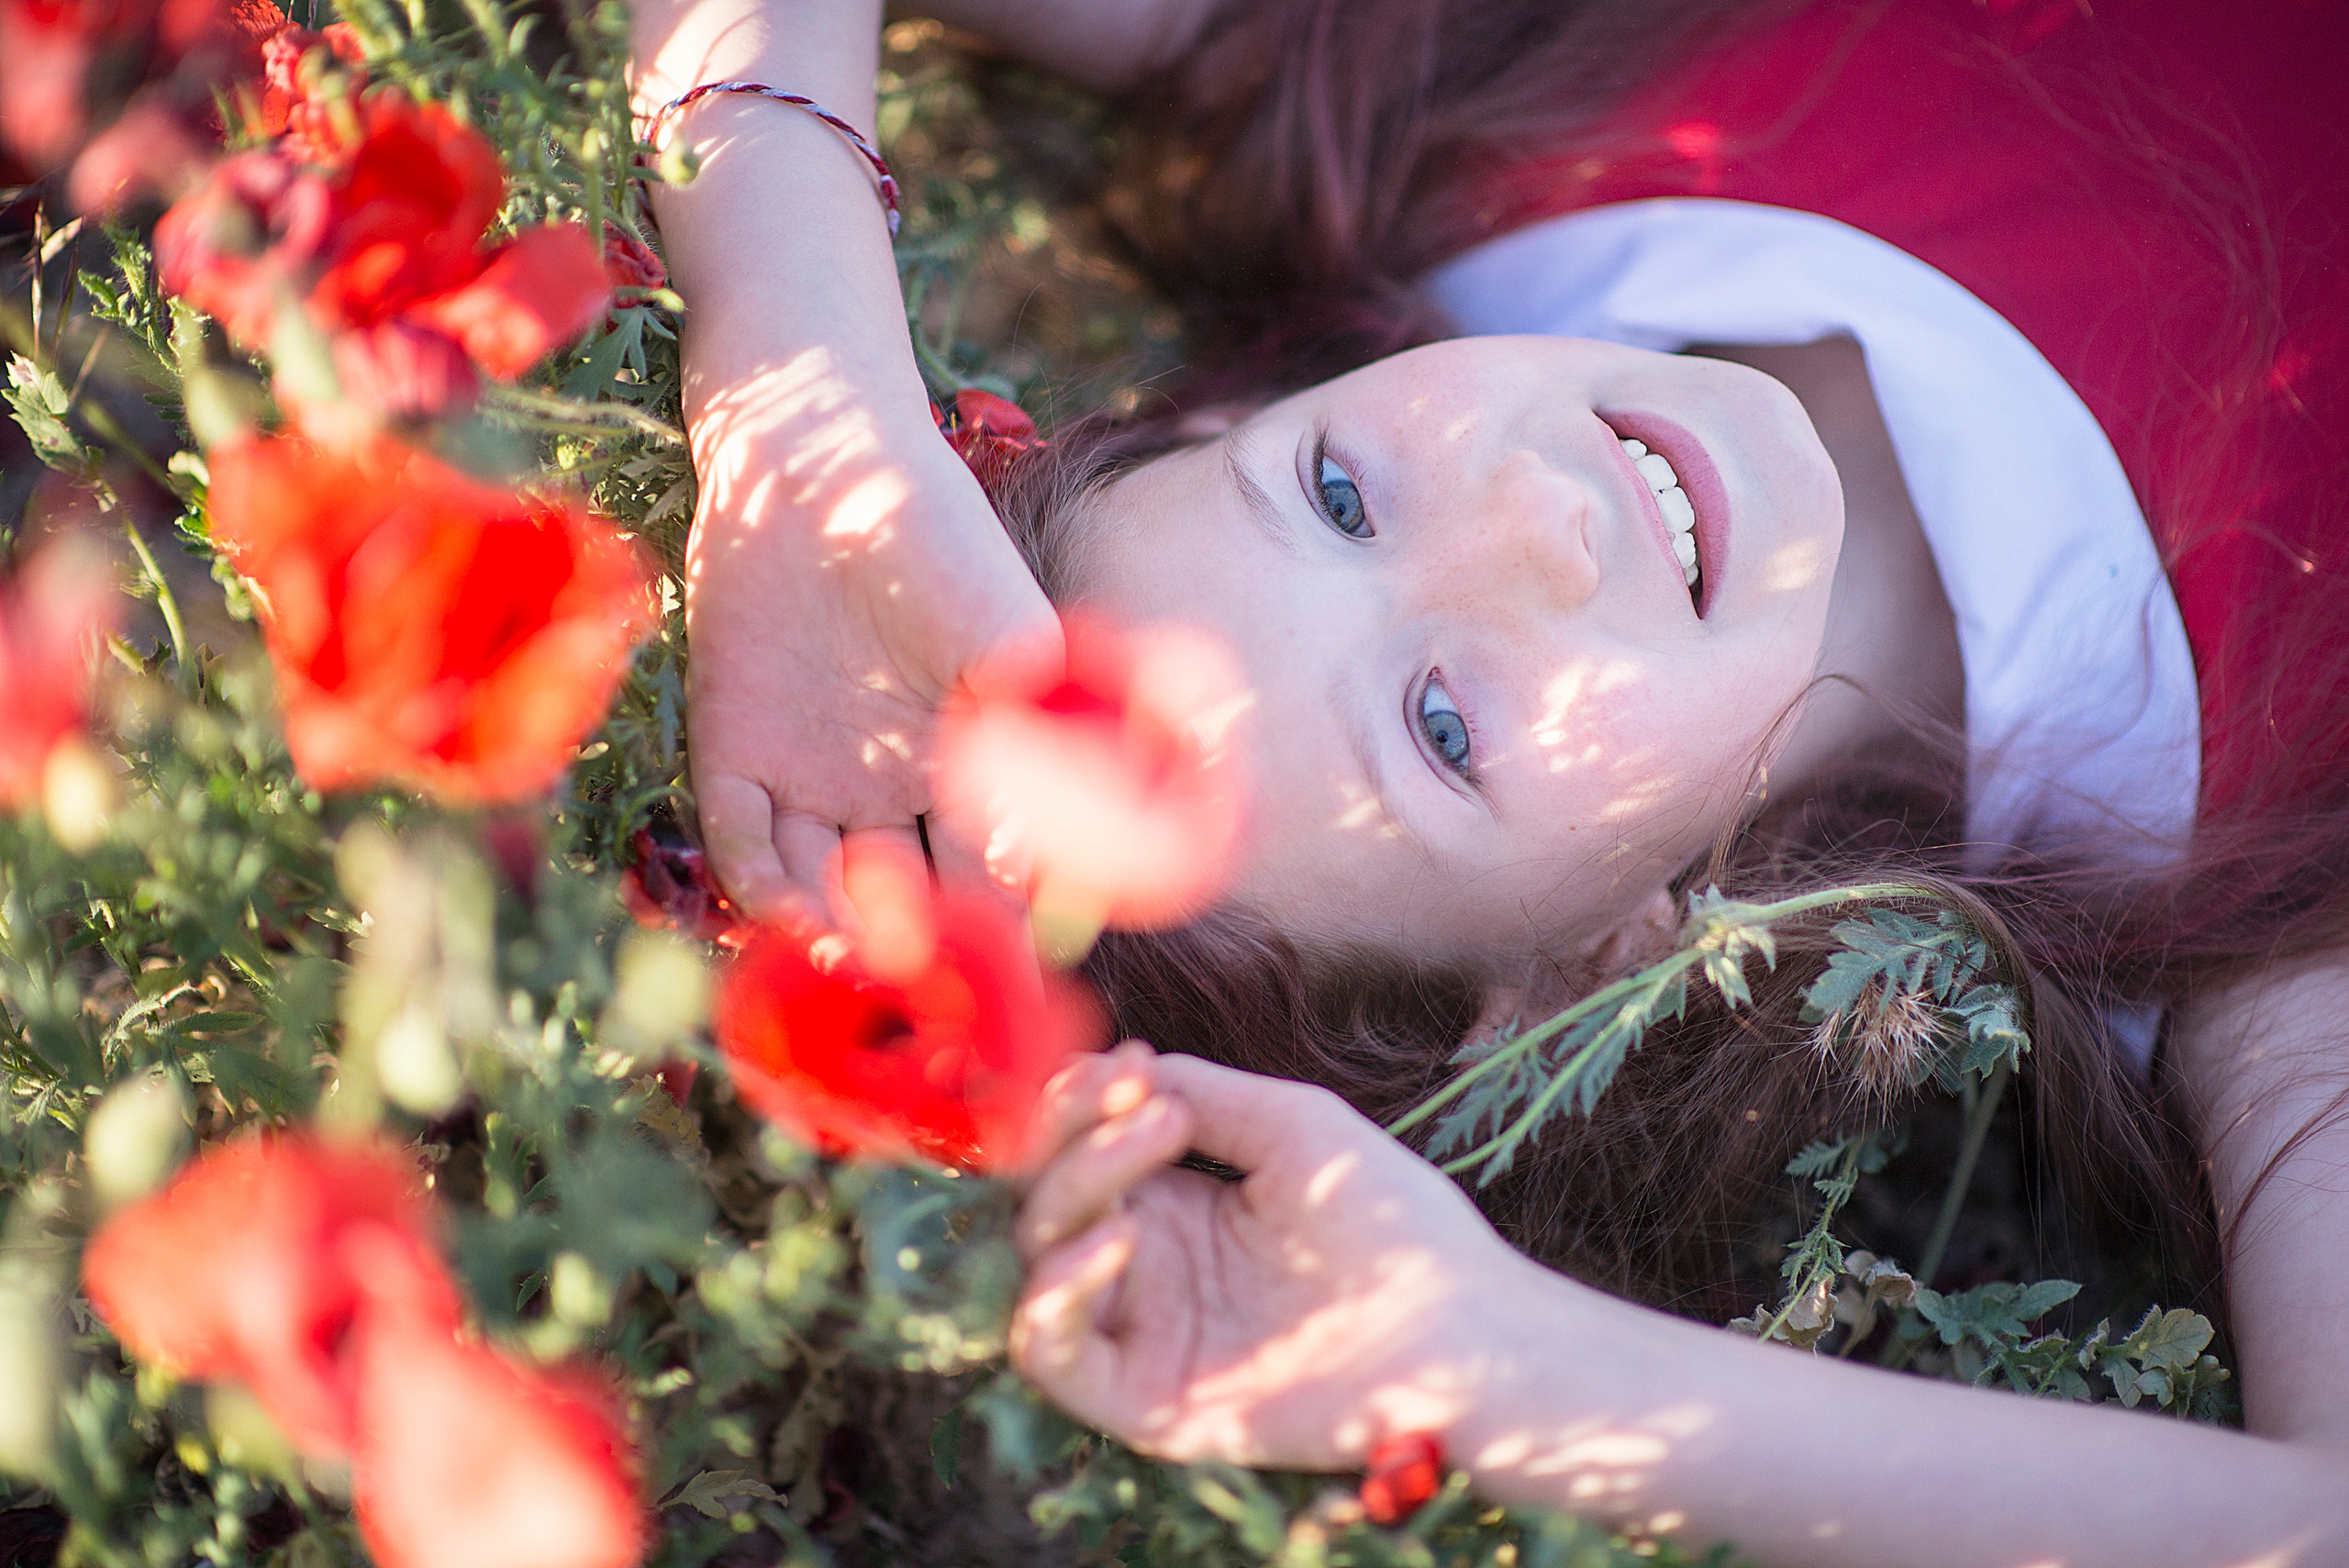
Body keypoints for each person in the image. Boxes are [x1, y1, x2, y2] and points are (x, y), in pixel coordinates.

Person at [629, 0, 2349, 1560]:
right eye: (1445, 728)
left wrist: (800, 410)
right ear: (1592, 968)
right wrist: (1491, 1363)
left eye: (1337, 493)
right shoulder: (2249, 899)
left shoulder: (1442, 72)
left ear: (1249, 399)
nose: (1541, 516)